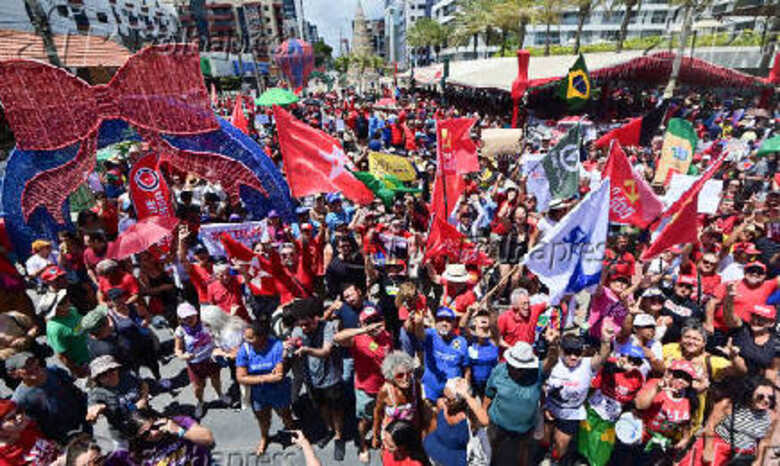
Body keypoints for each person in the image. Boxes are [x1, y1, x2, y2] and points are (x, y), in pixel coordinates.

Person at [333, 306, 393, 463]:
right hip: (366, 390)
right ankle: (363, 446)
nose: (374, 325)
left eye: (376, 320)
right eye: (368, 322)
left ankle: (380, 440)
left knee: (385, 417)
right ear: (362, 324)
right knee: (365, 421)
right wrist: (363, 330)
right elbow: (337, 338)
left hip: (384, 387)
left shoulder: (387, 336)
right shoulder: (357, 339)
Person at [289, 298, 346, 460]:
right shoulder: (298, 331)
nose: (303, 328)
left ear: (316, 318)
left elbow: (326, 351)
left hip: (330, 377)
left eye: (307, 324)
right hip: (311, 379)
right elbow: (292, 347)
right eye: (301, 325)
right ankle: (329, 430)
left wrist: (307, 350)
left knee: (336, 408)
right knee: (322, 407)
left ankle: (339, 436)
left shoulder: (327, 327)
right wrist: (288, 348)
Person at [543, 329, 611, 465]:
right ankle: (544, 453)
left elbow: (603, 357)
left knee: (561, 445)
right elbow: (541, 382)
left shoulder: (587, 365)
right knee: (544, 441)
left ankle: (554, 461)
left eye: (577, 353)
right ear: (562, 351)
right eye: (568, 352)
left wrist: (606, 341)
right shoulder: (554, 361)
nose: (573, 357)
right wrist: (544, 405)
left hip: (571, 413)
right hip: (550, 408)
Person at [483, 339, 555, 466]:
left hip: (525, 428)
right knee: (493, 447)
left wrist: (554, 346)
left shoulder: (537, 372)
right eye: (513, 366)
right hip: (498, 424)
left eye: (521, 368)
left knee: (524, 450)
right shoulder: (499, 371)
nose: (516, 370)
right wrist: (483, 417)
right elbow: (488, 395)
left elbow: (551, 360)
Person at [677, 376, 776, 466]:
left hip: (742, 457)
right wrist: (708, 449)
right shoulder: (729, 405)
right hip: (718, 447)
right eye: (760, 396)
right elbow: (710, 425)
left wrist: (758, 460)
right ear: (750, 393)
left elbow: (764, 441)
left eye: (770, 398)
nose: (766, 400)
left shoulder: (770, 417)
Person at [235, 316, 295, 456]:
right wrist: (266, 378)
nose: (246, 341)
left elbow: (279, 374)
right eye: (245, 337)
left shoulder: (276, 346)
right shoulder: (245, 349)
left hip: (279, 391)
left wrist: (253, 378)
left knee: (285, 415)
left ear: (262, 337)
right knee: (263, 419)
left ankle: (293, 433)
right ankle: (264, 437)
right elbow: (240, 377)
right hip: (258, 395)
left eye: (251, 338)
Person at [7, 352, 88, 444]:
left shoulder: (55, 371)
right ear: (14, 374)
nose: (32, 367)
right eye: (25, 367)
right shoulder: (19, 399)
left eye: (33, 362)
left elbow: (76, 391)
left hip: (84, 421)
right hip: (62, 438)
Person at [629, 359, 698, 465]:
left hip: (659, 446)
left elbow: (686, 423)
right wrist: (657, 389)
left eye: (686, 379)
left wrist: (685, 439)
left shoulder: (690, 399)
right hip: (638, 438)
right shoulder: (655, 383)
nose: (681, 380)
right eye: (678, 375)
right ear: (670, 374)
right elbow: (640, 405)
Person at [173, 302, 228, 418]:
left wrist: (219, 346)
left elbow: (217, 334)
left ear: (196, 314)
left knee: (216, 380)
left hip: (210, 359)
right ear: (180, 319)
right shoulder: (180, 331)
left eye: (191, 316)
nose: (189, 319)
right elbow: (177, 349)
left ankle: (220, 395)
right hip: (195, 364)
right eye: (185, 317)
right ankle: (200, 402)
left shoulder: (205, 323)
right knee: (198, 387)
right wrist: (183, 356)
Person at [423, 377, 489, 466]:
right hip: (435, 450)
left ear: (460, 401)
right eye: (444, 396)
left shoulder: (469, 420)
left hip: (454, 460)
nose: (444, 401)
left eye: (449, 399)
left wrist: (466, 395)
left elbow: (485, 420)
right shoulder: (443, 406)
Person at [85, 355, 150, 447]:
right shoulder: (97, 393)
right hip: (123, 433)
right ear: (97, 378)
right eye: (103, 374)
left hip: (145, 419)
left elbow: (143, 384)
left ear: (117, 369)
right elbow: (92, 408)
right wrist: (94, 412)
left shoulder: (127, 377)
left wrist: (143, 398)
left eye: (112, 370)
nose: (109, 376)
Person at [410, 306, 469, 403]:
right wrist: (419, 323)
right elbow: (420, 335)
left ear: (454, 323)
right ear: (436, 322)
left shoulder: (462, 342)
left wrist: (465, 386)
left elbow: (467, 368)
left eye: (448, 320)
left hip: (452, 392)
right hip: (431, 388)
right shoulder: (430, 335)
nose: (444, 323)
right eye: (440, 320)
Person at [115, 408, 215, 465]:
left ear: (157, 419)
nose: (154, 433)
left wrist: (180, 431)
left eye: (154, 426)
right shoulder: (139, 449)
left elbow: (208, 439)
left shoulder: (179, 422)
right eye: (146, 434)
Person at [373, 351, 424, 454]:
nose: (406, 378)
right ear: (391, 376)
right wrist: (375, 436)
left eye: (408, 373)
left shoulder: (415, 385)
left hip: (411, 429)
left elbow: (419, 406)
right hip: (391, 433)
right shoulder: (385, 391)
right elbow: (378, 414)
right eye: (400, 375)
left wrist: (421, 430)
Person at [44, 290, 89, 378]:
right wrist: (77, 370)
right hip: (82, 363)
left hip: (91, 350)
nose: (68, 302)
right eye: (63, 302)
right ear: (55, 309)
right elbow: (61, 356)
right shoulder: (55, 329)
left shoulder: (72, 310)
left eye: (66, 299)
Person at [0, 399, 60, 466]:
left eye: (18, 411)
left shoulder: (28, 427)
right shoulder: (3, 456)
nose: (19, 417)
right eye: (11, 418)